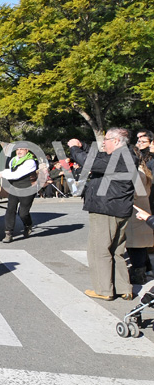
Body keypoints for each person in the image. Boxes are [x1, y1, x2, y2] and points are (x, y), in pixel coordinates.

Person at [68, 129, 137, 301]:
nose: (103, 143)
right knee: (117, 250)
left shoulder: (118, 157)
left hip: (106, 209)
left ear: (116, 140)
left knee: (99, 250)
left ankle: (103, 290)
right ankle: (124, 288)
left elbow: (89, 162)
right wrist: (83, 145)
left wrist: (74, 149)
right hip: (120, 209)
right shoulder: (125, 155)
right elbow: (98, 159)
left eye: (106, 140)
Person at [0, 147, 38, 242]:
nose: (19, 151)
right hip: (14, 188)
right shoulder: (14, 160)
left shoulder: (30, 162)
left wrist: (0, 175)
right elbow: (10, 171)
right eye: (17, 149)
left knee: (23, 213)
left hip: (27, 188)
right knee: (10, 209)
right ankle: (8, 233)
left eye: (22, 149)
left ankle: (28, 225)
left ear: (27, 150)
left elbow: (17, 174)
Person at [126, 148, 154, 282]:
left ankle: (138, 275)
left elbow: (133, 194)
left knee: (134, 246)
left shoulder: (135, 173)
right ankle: (145, 269)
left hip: (135, 213)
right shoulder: (144, 172)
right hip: (143, 209)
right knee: (141, 245)